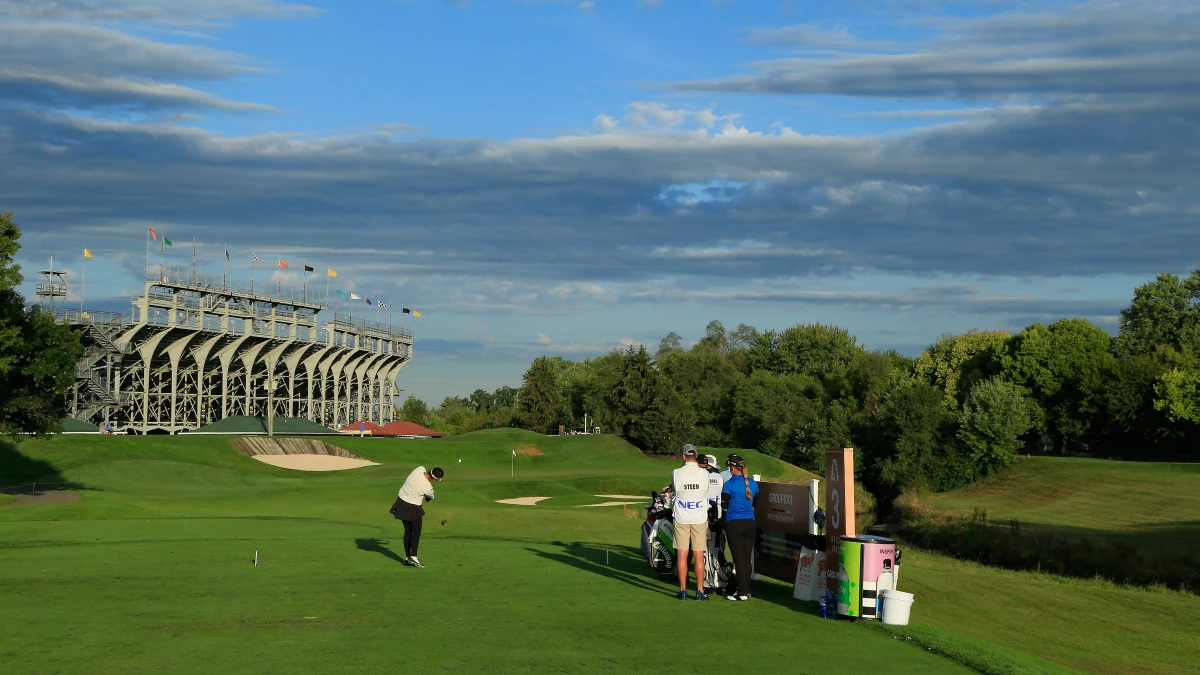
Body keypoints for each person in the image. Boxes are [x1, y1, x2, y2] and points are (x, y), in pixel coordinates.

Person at [671, 444, 713, 600]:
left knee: (682, 553)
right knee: (698, 555)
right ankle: (699, 591)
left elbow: (675, 488)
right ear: (695, 456)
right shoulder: (704, 474)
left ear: (683, 456)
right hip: (699, 518)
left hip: (682, 517)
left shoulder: (676, 473)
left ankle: (683, 590)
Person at [721, 455, 759, 601]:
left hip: (734, 524)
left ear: (732, 468)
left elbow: (724, 507)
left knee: (739, 559)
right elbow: (756, 504)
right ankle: (746, 590)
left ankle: (742, 592)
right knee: (746, 558)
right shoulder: (753, 484)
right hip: (750, 523)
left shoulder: (729, 484)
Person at [390, 465, 444, 568]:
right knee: (416, 532)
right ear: (434, 479)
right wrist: (428, 498)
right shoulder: (428, 487)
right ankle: (413, 557)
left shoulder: (419, 469)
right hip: (413, 507)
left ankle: (407, 558)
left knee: (408, 531)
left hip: (400, 503)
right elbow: (430, 498)